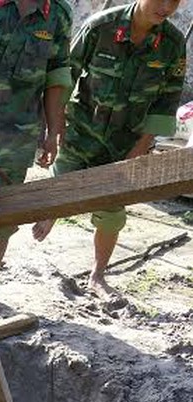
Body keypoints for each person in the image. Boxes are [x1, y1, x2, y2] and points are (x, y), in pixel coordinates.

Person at [32, 0, 186, 298]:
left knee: (112, 211)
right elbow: (67, 74)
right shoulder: (100, 27)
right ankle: (52, 214)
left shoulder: (172, 44)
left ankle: (98, 274)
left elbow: (168, 97)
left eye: (175, 1)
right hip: (81, 132)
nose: (166, 7)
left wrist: (142, 145)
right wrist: (55, 125)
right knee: (58, 190)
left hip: (124, 143)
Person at [0, 0, 73, 312]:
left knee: (4, 211)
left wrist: (54, 129)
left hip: (18, 132)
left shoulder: (58, 14)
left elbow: (57, 75)